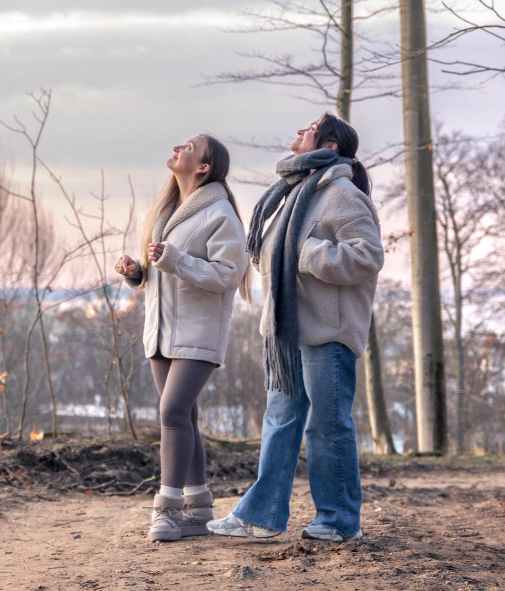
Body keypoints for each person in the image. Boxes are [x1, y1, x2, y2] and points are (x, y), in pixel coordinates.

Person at [207, 113, 384, 542]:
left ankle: (339, 521)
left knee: (327, 426)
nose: (300, 130)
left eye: (311, 127)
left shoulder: (341, 194)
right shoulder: (293, 193)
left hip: (327, 331)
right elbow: (272, 251)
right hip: (287, 333)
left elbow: (368, 256)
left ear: (331, 146)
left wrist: (305, 253)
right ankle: (261, 516)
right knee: (280, 422)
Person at [115, 134, 250, 543]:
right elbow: (163, 275)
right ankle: (200, 507)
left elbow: (229, 274)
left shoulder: (220, 213)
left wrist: (174, 259)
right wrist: (137, 273)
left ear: (204, 167)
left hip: (199, 331)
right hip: (161, 332)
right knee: (185, 416)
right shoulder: (168, 211)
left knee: (172, 413)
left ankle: (168, 511)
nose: (178, 146)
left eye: (189, 146)